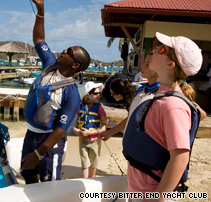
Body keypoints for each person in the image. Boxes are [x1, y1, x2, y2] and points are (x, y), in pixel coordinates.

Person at [20, 0, 91, 184]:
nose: (64, 51)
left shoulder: (72, 94)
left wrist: (39, 152)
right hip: (31, 135)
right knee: (28, 176)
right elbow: (39, 38)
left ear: (76, 65)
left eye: (70, 52)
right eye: (67, 49)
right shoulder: (50, 64)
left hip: (50, 143)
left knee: (50, 184)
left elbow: (61, 129)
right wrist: (41, 13)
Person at [125, 32, 203, 199]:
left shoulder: (172, 106)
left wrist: (159, 198)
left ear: (170, 64)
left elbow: (180, 157)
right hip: (140, 189)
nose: (154, 50)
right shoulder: (162, 96)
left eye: (161, 50)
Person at [100, 50, 160, 140]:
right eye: (144, 63)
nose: (142, 66)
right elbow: (131, 117)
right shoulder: (141, 90)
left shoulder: (161, 94)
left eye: (148, 64)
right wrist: (110, 132)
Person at [73, 82, 107, 178]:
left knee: (94, 162)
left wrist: (90, 132)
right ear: (88, 95)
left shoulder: (99, 108)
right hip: (82, 140)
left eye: (99, 93)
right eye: (96, 93)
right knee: (84, 162)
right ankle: (85, 180)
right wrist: (76, 131)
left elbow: (104, 128)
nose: (98, 95)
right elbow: (75, 125)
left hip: (95, 141)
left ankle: (92, 178)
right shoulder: (80, 108)